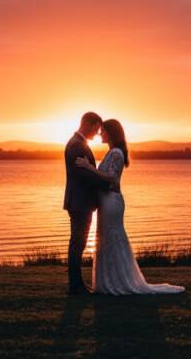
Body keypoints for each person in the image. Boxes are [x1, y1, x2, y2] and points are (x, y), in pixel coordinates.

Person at [76, 119, 184, 295]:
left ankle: (119, 282)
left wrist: (89, 168)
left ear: (110, 133)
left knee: (113, 238)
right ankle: (108, 281)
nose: (100, 134)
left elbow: (112, 179)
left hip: (112, 202)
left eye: (102, 131)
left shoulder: (116, 153)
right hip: (106, 202)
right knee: (105, 239)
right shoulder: (112, 152)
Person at [63, 111, 113, 294]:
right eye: (97, 128)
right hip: (80, 202)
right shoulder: (77, 145)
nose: (98, 133)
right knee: (78, 243)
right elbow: (83, 175)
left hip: (79, 201)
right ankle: (75, 286)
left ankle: (76, 285)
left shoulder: (78, 143)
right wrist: (107, 183)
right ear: (88, 124)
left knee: (78, 243)